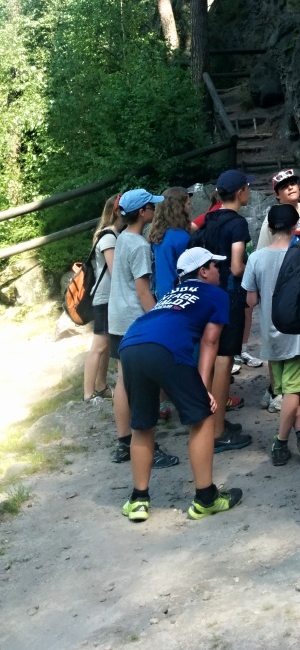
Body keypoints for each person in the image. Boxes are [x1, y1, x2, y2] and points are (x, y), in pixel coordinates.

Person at [118, 246, 243, 522]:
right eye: (215, 265)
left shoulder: (170, 294)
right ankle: (206, 498)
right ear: (203, 272)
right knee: (202, 418)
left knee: (143, 425)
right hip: (166, 349)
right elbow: (210, 341)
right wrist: (203, 389)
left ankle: (138, 500)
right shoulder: (216, 294)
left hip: (131, 345)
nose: (219, 270)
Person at [107, 188, 178, 469]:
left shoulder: (122, 237)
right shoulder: (138, 245)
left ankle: (124, 441)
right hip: (133, 320)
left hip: (117, 318)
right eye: (151, 207)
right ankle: (144, 445)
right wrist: (159, 321)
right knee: (140, 385)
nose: (155, 210)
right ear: (142, 212)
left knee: (122, 380)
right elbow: (143, 291)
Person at [194, 169, 255, 452]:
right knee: (224, 360)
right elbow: (237, 266)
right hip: (229, 297)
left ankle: (212, 422)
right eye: (247, 188)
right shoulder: (238, 224)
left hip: (207, 295)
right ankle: (217, 432)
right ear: (241, 192)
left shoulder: (210, 219)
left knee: (212, 357)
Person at [244, 204, 300, 466]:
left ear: (269, 228)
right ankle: (281, 441)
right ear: (295, 227)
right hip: (297, 333)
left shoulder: (256, 258)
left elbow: (250, 301)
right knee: (293, 391)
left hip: (270, 334)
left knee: (290, 390)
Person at [83, 195, 126, 402]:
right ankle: (88, 393)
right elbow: (115, 270)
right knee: (99, 345)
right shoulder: (109, 237)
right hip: (105, 297)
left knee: (106, 345)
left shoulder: (112, 234)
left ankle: (100, 386)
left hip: (107, 297)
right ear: (117, 212)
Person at [149, 187, 193, 298]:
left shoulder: (158, 235)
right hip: (179, 294)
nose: (190, 207)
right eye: (188, 204)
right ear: (179, 208)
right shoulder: (181, 237)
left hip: (161, 294)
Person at [255, 169, 300, 250]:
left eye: (292, 183)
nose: (290, 188)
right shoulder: (273, 218)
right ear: (277, 194)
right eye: (284, 186)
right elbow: (261, 249)